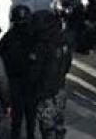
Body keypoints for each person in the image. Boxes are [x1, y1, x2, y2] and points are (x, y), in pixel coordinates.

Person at [29, 11, 71, 139]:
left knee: (47, 126)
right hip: (60, 87)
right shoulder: (63, 41)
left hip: (45, 92)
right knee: (59, 121)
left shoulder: (41, 46)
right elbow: (67, 65)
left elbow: (35, 72)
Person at [0, 5, 36, 139]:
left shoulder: (8, 37)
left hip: (14, 81)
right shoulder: (34, 36)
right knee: (30, 115)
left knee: (17, 117)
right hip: (29, 81)